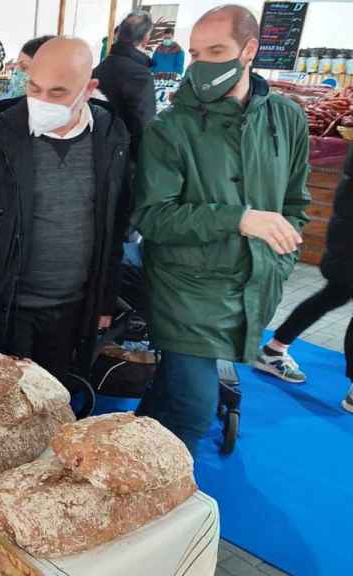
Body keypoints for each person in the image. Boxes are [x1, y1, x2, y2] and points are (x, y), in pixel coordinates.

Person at [132, 5, 310, 452]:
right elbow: (152, 217)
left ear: (249, 50)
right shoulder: (171, 128)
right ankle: (171, 492)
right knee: (194, 410)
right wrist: (239, 219)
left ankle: (129, 452)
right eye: (195, 53)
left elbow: (295, 202)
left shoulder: (286, 119)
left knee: (172, 392)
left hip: (251, 285)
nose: (202, 64)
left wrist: (280, 260)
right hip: (183, 289)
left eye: (216, 51)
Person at [0, 37, 130, 389]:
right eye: (34, 88)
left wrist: (105, 300)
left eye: (58, 93)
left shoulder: (111, 137)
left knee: (52, 399)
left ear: (89, 89)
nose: (42, 101)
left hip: (73, 311)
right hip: (7, 307)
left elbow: (114, 225)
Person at [255, 146, 352, 411]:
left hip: (345, 239)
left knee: (334, 294)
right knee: (335, 293)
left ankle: (273, 350)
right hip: (348, 240)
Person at [93, 11, 156, 158]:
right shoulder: (140, 75)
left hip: (98, 148)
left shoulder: (100, 68)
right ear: (146, 39)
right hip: (124, 155)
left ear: (118, 34)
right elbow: (144, 125)